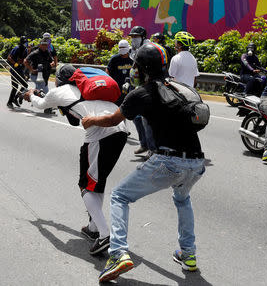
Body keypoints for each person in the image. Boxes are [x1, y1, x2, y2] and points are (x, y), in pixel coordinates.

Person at [82, 43, 206, 282]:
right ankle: (188, 254)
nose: (134, 69)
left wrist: (91, 120)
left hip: (168, 161)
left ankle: (118, 253)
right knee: (182, 199)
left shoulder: (143, 93)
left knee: (119, 196)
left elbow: (111, 120)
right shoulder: (180, 87)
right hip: (196, 163)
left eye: (136, 65)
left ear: (142, 68)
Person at [23, 64, 128, 255]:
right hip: (120, 131)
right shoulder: (88, 89)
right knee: (98, 181)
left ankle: (105, 234)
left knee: (85, 185)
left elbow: (39, 104)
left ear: (60, 79)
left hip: (100, 136)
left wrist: (30, 95)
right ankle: (94, 228)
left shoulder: (61, 90)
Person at [129, 26, 155, 156]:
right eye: (132, 37)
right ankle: (144, 144)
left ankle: (152, 149)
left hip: (149, 85)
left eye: (136, 36)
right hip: (139, 85)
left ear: (143, 37)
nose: (133, 39)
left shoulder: (148, 48)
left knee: (146, 119)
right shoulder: (134, 49)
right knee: (137, 117)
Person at [24, 38, 55, 114]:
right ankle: (48, 108)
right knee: (46, 92)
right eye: (43, 45)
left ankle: (24, 94)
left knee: (38, 91)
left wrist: (52, 64)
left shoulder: (47, 52)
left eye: (46, 45)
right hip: (36, 76)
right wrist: (31, 69)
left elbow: (52, 60)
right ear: (40, 45)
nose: (44, 46)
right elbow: (25, 61)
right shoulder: (35, 53)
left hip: (44, 76)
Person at [106, 40, 133, 106]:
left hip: (130, 87)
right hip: (117, 88)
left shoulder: (132, 58)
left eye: (123, 48)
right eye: (120, 48)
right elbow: (108, 70)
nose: (122, 50)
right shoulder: (114, 59)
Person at [6, 36, 29, 108]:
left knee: (25, 85)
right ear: (21, 43)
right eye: (24, 43)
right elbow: (9, 57)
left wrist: (25, 71)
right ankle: (9, 102)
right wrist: (15, 63)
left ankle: (15, 98)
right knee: (15, 87)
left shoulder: (25, 50)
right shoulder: (16, 48)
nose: (25, 44)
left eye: (26, 42)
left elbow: (24, 59)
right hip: (14, 69)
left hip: (20, 69)